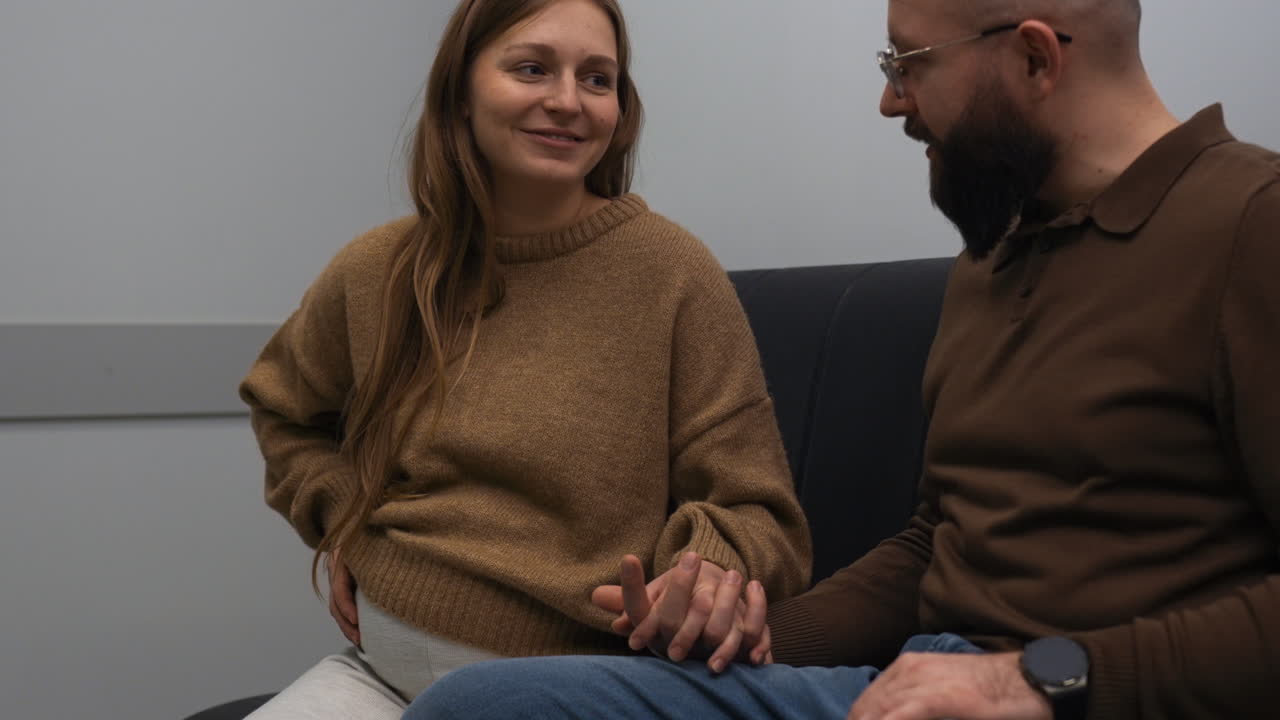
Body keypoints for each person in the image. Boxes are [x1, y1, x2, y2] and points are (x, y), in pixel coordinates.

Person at [403, 0, 1280, 718]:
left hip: (1081, 696)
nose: (892, 103)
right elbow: (939, 543)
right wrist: (748, 638)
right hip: (914, 685)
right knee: (484, 705)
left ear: (1035, 60)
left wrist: (1041, 679)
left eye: (909, 64)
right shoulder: (997, 246)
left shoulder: (1251, 224)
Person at [237, 0, 812, 717]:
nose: (568, 102)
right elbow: (282, 408)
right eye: (532, 68)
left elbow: (760, 513)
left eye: (597, 79)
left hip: (564, 696)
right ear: (462, 91)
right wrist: (343, 516)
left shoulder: (673, 273)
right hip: (376, 677)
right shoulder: (377, 269)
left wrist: (704, 578)